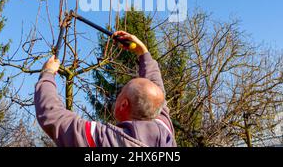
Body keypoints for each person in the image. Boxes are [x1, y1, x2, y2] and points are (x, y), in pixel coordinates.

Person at [34, 31, 177, 147]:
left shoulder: (109, 140)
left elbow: (53, 116)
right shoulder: (164, 131)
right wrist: (143, 52)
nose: (118, 94)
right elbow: (156, 91)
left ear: (124, 105)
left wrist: (47, 73)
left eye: (121, 92)